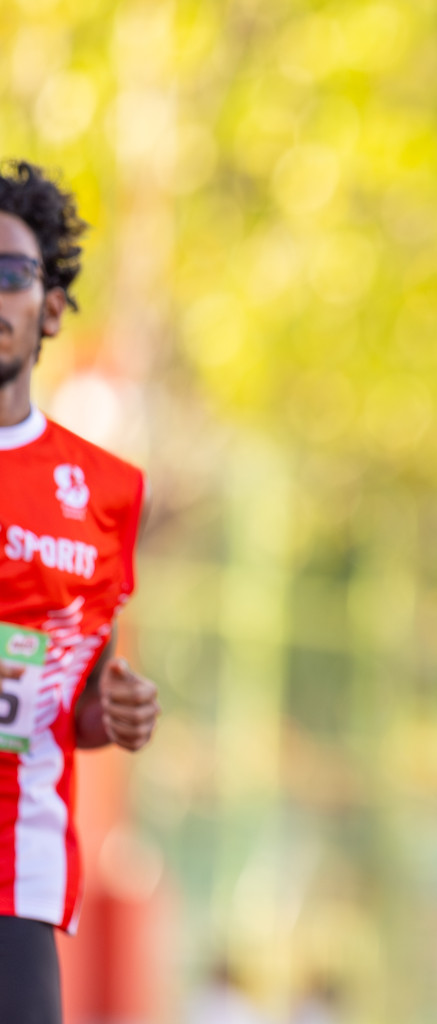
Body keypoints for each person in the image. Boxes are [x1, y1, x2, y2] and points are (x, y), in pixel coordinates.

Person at [0, 160, 162, 1024]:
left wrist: (114, 710)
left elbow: (72, 693)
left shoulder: (103, 493)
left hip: (14, 879)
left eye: (10, 272)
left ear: (50, 305)